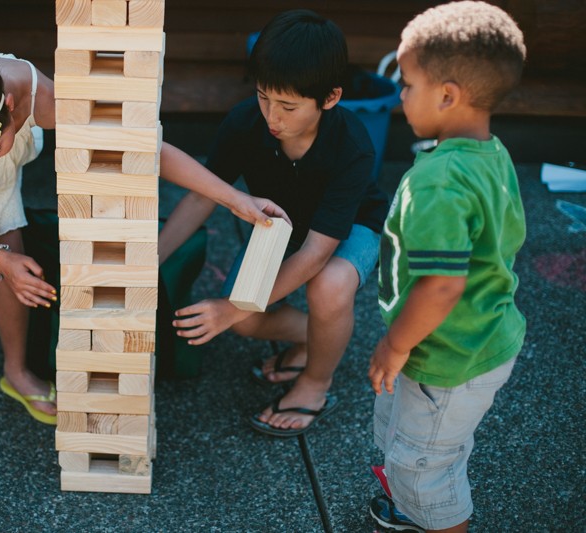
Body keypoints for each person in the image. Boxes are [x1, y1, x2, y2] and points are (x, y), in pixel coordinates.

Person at [0, 49, 285, 467]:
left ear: (10, 108)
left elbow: (147, 149)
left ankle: (17, 372)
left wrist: (235, 198)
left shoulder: (48, 101)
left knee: (13, 255)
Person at [161, 9, 389, 437]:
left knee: (330, 284)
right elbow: (201, 195)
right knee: (246, 317)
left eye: (288, 105)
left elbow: (317, 252)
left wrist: (228, 309)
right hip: (281, 227)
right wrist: (152, 258)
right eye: (265, 96)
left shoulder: (352, 144)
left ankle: (316, 383)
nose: (273, 116)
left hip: (348, 228)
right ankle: (318, 340)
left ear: (330, 98)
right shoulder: (245, 121)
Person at [366, 3, 527, 532]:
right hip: (480, 337)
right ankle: (413, 504)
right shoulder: (490, 153)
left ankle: (430, 513)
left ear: (448, 94)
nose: (401, 96)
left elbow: (439, 286)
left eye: (407, 84)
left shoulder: (438, 181)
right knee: (417, 439)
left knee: (423, 466)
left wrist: (396, 344)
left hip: (447, 354)